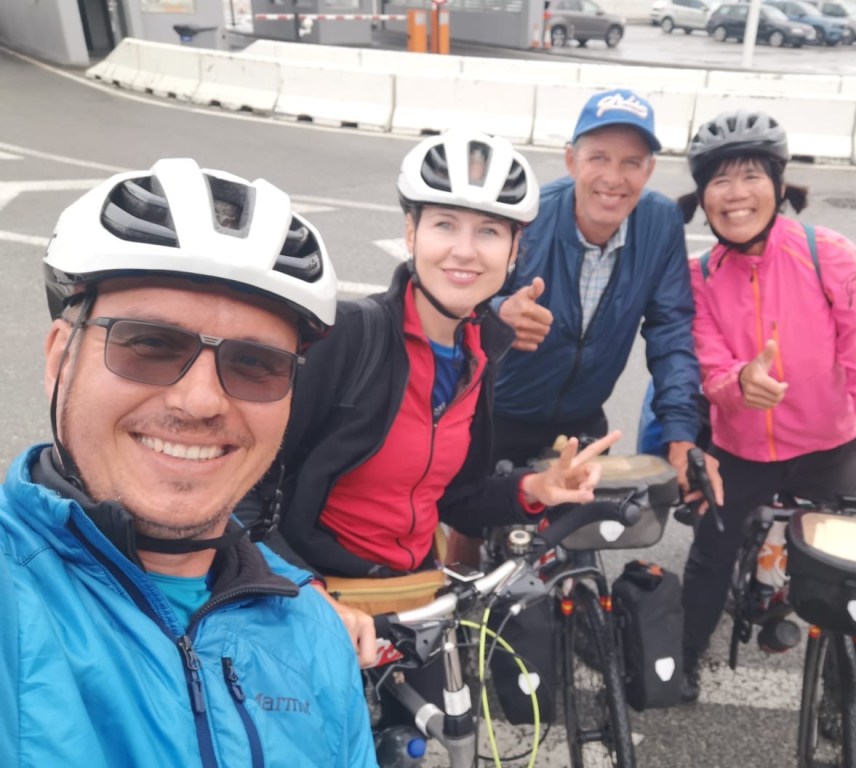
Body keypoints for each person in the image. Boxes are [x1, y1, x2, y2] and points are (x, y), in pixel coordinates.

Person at [0, 158, 376, 766]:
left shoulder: (316, 634)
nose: (200, 401)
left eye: (255, 363)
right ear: (58, 359)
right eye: (150, 344)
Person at [257, 131, 619, 717]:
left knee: (437, 735)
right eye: (445, 224)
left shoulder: (479, 355)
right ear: (411, 233)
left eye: (489, 231)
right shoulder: (346, 337)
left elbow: (456, 497)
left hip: (416, 597)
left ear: (514, 250)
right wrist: (304, 591)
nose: (465, 251)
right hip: (319, 597)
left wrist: (537, 487)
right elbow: (247, 495)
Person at [645, 110, 856, 703]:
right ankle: (686, 656)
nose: (736, 194)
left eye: (751, 176)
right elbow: (709, 370)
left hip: (826, 451)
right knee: (711, 558)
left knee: (845, 574)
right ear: (702, 197)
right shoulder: (699, 276)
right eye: (719, 180)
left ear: (780, 184)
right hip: (739, 452)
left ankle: (839, 686)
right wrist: (741, 383)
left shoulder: (830, 256)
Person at [490, 88, 716, 499]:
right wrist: (497, 312)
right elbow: (456, 300)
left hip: (582, 423)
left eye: (631, 162)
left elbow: (671, 331)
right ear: (571, 161)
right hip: (497, 415)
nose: (613, 178)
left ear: (649, 170)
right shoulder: (526, 216)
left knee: (583, 527)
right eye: (598, 158)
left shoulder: (661, 221)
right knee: (476, 524)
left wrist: (681, 432)